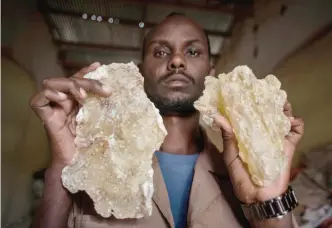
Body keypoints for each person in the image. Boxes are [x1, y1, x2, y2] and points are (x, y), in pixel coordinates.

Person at [30, 13, 304, 228]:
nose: (176, 61)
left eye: (192, 52)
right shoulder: (95, 172)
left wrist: (268, 203)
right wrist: (63, 165)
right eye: (160, 52)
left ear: (211, 72)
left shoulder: (245, 174)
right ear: (139, 73)